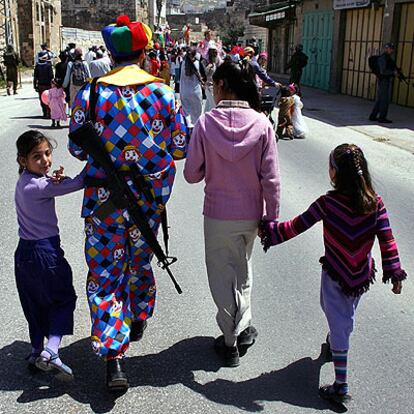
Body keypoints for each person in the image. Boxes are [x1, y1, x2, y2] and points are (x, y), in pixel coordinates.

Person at [68, 14, 188, 391]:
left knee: (105, 275)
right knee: (139, 260)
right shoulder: (164, 93)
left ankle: (114, 358)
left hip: (103, 204)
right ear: (143, 51)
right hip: (148, 203)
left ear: (110, 51)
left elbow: (74, 146)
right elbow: (181, 148)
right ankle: (137, 315)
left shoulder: (91, 93)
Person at [260, 143, 407, 404]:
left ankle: (341, 386)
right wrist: (392, 271)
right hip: (358, 274)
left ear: (336, 173)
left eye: (330, 166)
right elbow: (387, 239)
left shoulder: (330, 203)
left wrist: (271, 230)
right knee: (336, 313)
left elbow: (296, 225)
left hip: (338, 275)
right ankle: (334, 341)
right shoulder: (374, 204)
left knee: (341, 324)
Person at [183, 61, 281, 367]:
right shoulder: (262, 124)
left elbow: (191, 174)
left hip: (217, 213)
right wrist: (272, 218)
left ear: (223, 85)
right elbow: (272, 178)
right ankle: (243, 327)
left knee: (221, 276)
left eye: (213, 84)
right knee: (243, 271)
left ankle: (230, 342)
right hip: (251, 214)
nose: (212, 89)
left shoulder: (205, 124)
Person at [14, 130, 85, 378]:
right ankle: (51, 350)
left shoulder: (25, 180)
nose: (45, 160)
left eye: (47, 153)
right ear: (23, 160)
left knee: (34, 304)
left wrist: (53, 179)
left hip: (24, 254)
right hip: (46, 253)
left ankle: (36, 351)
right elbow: (79, 183)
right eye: (37, 156)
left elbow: (46, 184)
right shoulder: (41, 186)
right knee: (64, 297)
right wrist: (97, 160)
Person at [369, 43, 397, 123]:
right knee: (384, 100)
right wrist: (393, 73)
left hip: (384, 80)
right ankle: (382, 118)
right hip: (383, 80)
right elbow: (383, 71)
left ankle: (373, 116)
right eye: (390, 48)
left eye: (392, 48)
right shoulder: (383, 58)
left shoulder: (387, 58)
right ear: (386, 49)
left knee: (380, 99)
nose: (391, 50)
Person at [180, 47, 206, 126]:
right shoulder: (198, 63)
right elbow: (204, 76)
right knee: (197, 116)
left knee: (187, 115)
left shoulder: (183, 63)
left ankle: (188, 132)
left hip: (185, 92)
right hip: (196, 92)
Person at [203, 41, 222, 112]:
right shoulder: (205, 62)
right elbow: (204, 73)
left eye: (215, 52)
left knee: (208, 106)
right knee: (213, 106)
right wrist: (208, 67)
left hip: (215, 86)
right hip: (209, 86)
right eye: (213, 52)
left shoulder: (217, 61)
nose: (214, 54)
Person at [33, 52, 54, 118]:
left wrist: (35, 86)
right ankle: (49, 113)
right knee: (49, 99)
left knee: (42, 99)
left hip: (40, 85)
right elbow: (51, 76)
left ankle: (45, 113)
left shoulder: (37, 66)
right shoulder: (48, 66)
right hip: (48, 85)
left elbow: (35, 77)